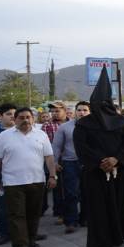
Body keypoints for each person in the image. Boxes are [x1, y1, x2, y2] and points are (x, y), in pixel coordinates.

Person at [75, 67, 124, 247]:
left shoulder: (122, 122)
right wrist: (102, 162)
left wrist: (116, 159)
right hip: (95, 173)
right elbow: (82, 147)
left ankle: (118, 236)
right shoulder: (83, 124)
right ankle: (101, 243)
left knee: (118, 204)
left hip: (119, 172)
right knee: (99, 209)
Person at [0, 107, 56, 247]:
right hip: (13, 183)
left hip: (37, 180)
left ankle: (31, 240)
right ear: (15, 120)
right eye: (21, 118)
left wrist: (52, 176)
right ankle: (20, 246)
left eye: (28, 117)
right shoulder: (4, 136)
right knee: (17, 215)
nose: (25, 120)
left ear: (33, 119)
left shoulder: (41, 135)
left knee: (33, 213)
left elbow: (49, 157)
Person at [52, 100, 90, 233]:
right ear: (75, 112)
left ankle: (85, 218)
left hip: (89, 163)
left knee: (88, 192)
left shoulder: (95, 127)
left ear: (89, 112)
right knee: (71, 193)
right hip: (70, 163)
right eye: (79, 110)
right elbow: (56, 146)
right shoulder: (65, 127)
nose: (82, 112)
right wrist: (55, 162)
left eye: (85, 110)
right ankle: (71, 221)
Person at [0, 104, 16, 247]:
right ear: (0, 116)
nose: (12, 116)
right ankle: (5, 233)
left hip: (19, 174)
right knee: (4, 205)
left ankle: (27, 232)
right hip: (0, 174)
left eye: (14, 113)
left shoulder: (21, 130)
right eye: (8, 114)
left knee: (22, 205)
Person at [45, 101, 68, 221]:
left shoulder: (73, 123)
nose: (54, 113)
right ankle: (60, 213)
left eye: (57, 111)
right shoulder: (47, 126)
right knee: (58, 188)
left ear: (65, 110)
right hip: (55, 160)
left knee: (72, 188)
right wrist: (54, 163)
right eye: (52, 111)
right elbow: (47, 147)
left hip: (71, 159)